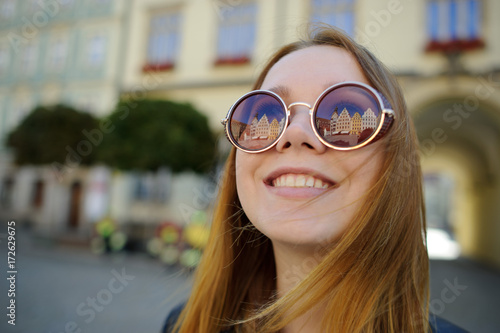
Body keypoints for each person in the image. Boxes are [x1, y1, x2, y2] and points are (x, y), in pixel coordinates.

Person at [163, 25, 468, 333]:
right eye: (264, 114)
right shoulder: (182, 325)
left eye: (347, 111)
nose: (294, 133)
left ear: (393, 161)